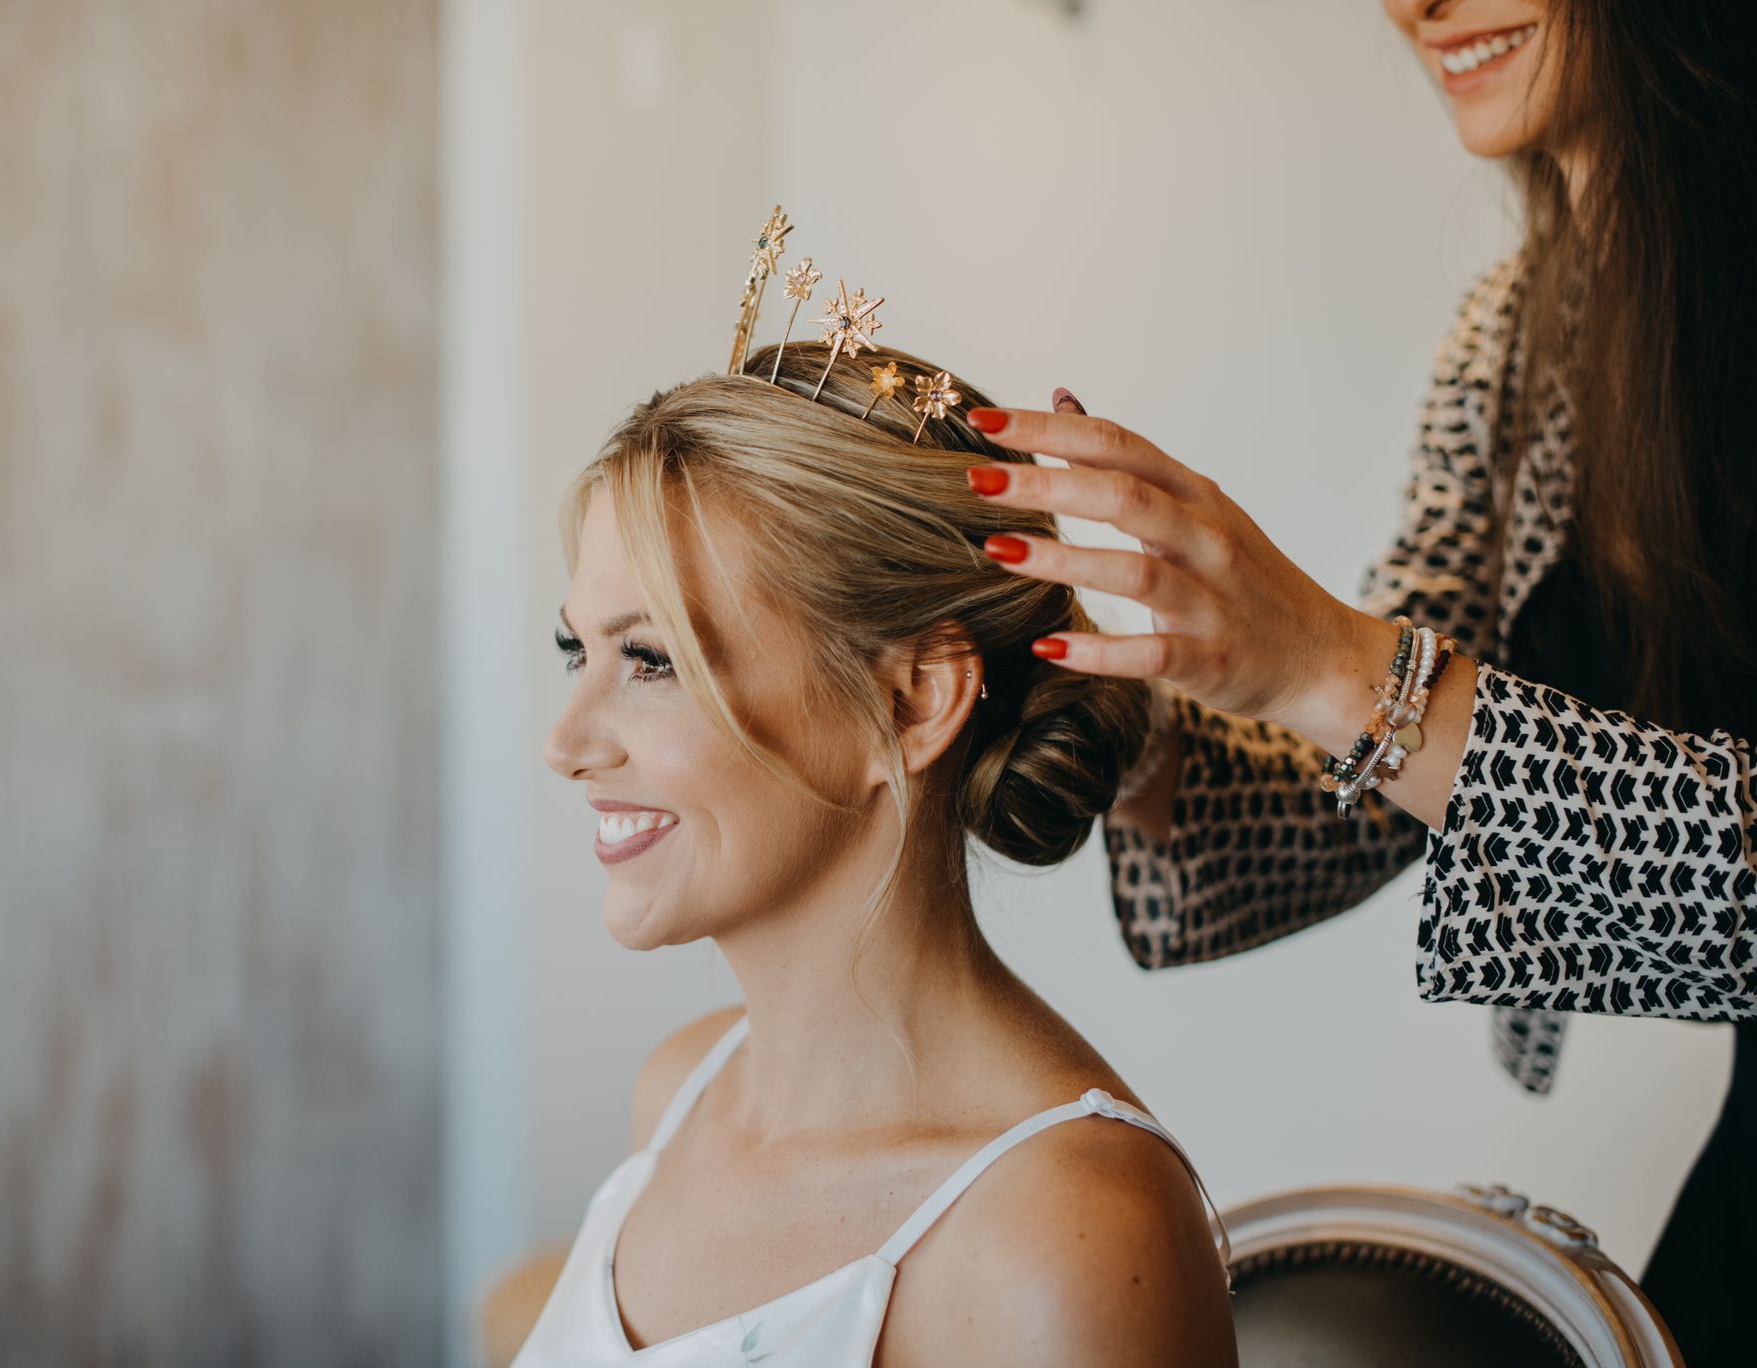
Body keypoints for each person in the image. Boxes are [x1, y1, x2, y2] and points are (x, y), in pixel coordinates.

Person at [958, 1, 1755, 1360]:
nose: (1419, 5)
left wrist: (1336, 663)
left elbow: (1392, 702)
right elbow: (1397, 766)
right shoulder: (1516, 335)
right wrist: (1143, 719)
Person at [516, 341, 1237, 1367]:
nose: (565, 744)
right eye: (573, 652)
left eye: (649, 660)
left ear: (910, 701)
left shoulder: (1063, 1237)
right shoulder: (677, 1094)